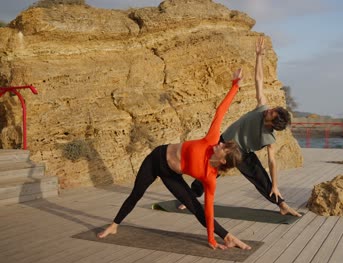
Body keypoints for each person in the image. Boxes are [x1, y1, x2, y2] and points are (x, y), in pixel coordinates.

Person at [98, 68, 251, 250]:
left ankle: (226, 237)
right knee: (136, 193)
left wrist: (211, 238)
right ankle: (114, 225)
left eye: (223, 148)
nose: (220, 144)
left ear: (224, 161)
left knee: (195, 206)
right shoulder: (210, 140)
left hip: (170, 174)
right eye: (223, 144)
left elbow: (209, 210)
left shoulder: (209, 177)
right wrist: (235, 87)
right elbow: (221, 111)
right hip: (157, 158)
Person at [184, 37, 301, 217]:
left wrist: (276, 185)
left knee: (260, 177)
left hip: (242, 153)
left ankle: (282, 205)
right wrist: (259, 56)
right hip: (225, 141)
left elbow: (272, 162)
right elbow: (259, 80)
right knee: (210, 169)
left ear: (272, 124)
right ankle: (190, 198)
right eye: (272, 109)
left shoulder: (269, 137)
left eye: (272, 114)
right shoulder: (262, 107)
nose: (269, 110)